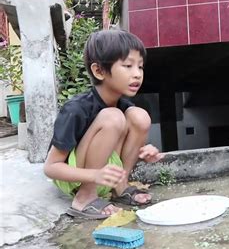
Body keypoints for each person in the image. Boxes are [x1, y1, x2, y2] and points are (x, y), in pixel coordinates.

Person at [44, 29, 164, 219]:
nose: (137, 74)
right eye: (128, 65)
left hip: (105, 175)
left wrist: (143, 154)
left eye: (140, 67)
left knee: (140, 116)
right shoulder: (76, 109)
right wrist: (93, 176)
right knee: (113, 117)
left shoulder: (123, 106)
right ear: (99, 71)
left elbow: (113, 152)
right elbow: (51, 168)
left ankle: (120, 186)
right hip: (75, 177)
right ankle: (85, 197)